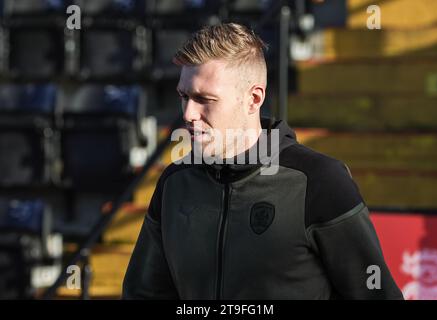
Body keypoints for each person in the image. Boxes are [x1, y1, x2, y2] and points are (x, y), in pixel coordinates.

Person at [122, 23, 403, 300]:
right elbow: (143, 294)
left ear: (253, 99)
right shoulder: (174, 183)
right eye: (184, 96)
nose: (189, 113)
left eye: (204, 99)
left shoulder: (319, 181)